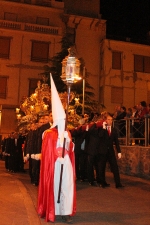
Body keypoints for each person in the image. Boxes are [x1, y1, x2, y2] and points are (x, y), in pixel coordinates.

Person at [37, 75, 76, 223]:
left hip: (65, 163)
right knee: (54, 187)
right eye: (61, 120)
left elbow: (71, 149)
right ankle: (54, 210)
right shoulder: (48, 134)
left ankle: (65, 211)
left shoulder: (68, 132)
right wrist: (55, 154)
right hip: (54, 165)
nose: (63, 122)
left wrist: (68, 144)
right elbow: (47, 151)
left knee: (66, 186)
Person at [97, 115, 124, 188]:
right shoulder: (101, 129)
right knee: (102, 167)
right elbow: (100, 136)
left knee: (115, 167)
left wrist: (119, 151)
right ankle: (103, 183)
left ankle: (118, 184)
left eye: (111, 120)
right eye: (109, 119)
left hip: (111, 152)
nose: (110, 121)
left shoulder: (114, 130)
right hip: (103, 151)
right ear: (105, 120)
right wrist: (103, 128)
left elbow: (116, 142)